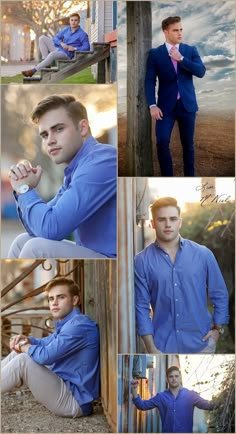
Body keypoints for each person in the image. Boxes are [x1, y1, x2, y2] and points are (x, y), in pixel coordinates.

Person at [7, 94, 116, 259]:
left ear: (83, 128)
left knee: (36, 247)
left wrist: (25, 190)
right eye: (44, 135)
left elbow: (51, 228)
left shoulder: (102, 161)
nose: (50, 141)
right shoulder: (76, 170)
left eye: (58, 129)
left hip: (113, 261)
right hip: (93, 254)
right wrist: (24, 188)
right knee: (22, 241)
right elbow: (38, 227)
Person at [135, 197, 229, 354]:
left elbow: (219, 293)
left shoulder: (203, 254)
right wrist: (151, 347)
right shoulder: (141, 261)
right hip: (162, 347)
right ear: (152, 224)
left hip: (202, 344)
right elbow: (141, 307)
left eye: (172, 219)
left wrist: (217, 331)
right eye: (161, 219)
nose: (167, 224)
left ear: (180, 222)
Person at [1, 277, 100, 418]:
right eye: (51, 298)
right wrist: (28, 340)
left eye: (61, 297)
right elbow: (47, 342)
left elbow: (46, 356)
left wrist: (25, 347)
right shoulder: (69, 323)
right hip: (64, 387)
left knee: (23, 360)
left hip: (74, 401)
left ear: (75, 300)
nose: (54, 303)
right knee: (18, 355)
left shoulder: (79, 326)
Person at [145, 16, 206, 176]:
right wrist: (152, 105)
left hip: (188, 106)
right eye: (175, 30)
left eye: (181, 29)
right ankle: (167, 177)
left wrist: (181, 59)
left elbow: (201, 72)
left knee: (188, 145)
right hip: (165, 108)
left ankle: (190, 177)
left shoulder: (190, 50)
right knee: (162, 142)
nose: (180, 33)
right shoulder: (155, 54)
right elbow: (150, 81)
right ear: (165, 32)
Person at [131, 366, 217, 433]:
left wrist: (223, 399)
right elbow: (142, 405)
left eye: (176, 376)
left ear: (180, 378)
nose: (174, 378)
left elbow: (209, 405)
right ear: (167, 379)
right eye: (171, 376)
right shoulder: (161, 397)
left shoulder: (190, 395)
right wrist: (134, 390)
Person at [22, 12, 90, 77]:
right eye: (72, 20)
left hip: (68, 54)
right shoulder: (66, 30)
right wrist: (61, 43)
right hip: (60, 48)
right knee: (42, 38)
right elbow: (55, 38)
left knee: (52, 54)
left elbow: (87, 47)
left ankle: (33, 70)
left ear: (79, 22)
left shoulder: (82, 34)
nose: (73, 22)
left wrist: (74, 48)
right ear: (69, 21)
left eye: (75, 20)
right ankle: (47, 64)